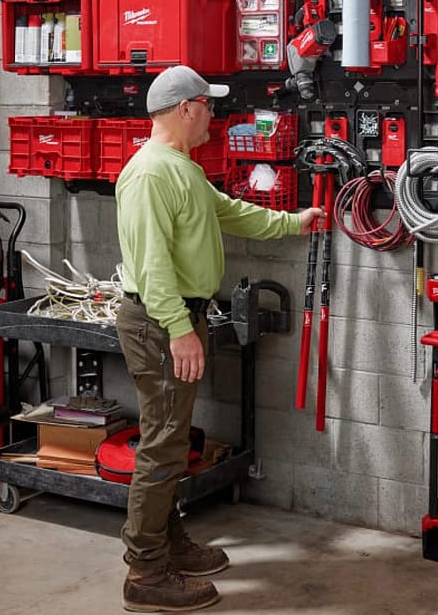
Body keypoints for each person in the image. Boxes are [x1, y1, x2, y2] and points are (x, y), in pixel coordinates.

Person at [115, 65, 322, 613]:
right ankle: (145, 571)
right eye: (208, 105)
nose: (215, 114)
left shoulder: (181, 169)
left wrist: (293, 222)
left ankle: (166, 539)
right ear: (185, 109)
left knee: (173, 439)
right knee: (162, 446)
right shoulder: (150, 175)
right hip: (161, 323)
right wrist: (181, 330)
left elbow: (231, 213)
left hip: (178, 318)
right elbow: (152, 266)